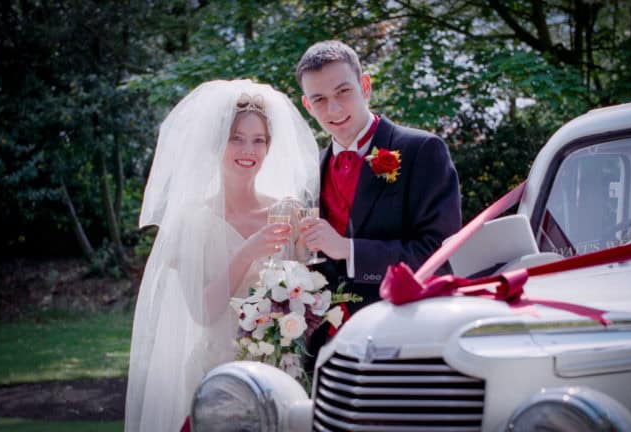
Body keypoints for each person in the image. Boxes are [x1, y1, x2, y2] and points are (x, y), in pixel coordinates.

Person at [124, 79, 319, 432]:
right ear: (217, 144)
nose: (250, 150)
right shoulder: (191, 221)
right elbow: (202, 312)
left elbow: (309, 296)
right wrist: (247, 252)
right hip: (216, 379)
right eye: (237, 139)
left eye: (259, 140)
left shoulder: (287, 212)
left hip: (282, 373)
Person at [296, 41, 462, 317]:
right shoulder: (309, 170)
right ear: (307, 106)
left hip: (404, 326)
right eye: (319, 99)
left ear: (365, 86)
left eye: (343, 91)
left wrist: (348, 250)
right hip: (326, 339)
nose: (334, 109)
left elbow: (439, 253)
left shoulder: (422, 150)